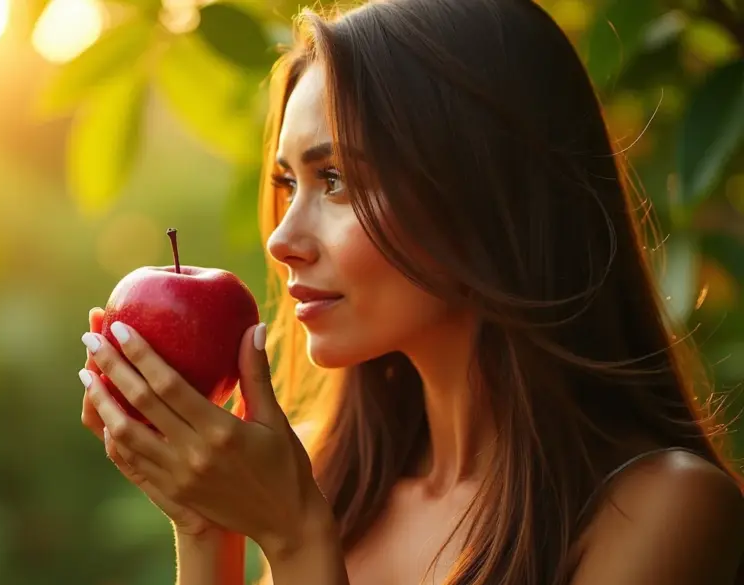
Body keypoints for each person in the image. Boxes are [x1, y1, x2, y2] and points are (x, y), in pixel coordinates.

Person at [77, 0, 744, 583]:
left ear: (487, 192)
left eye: (335, 179)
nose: (281, 239)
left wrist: (297, 539)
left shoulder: (663, 509)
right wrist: (204, 530)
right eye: (288, 184)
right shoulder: (324, 473)